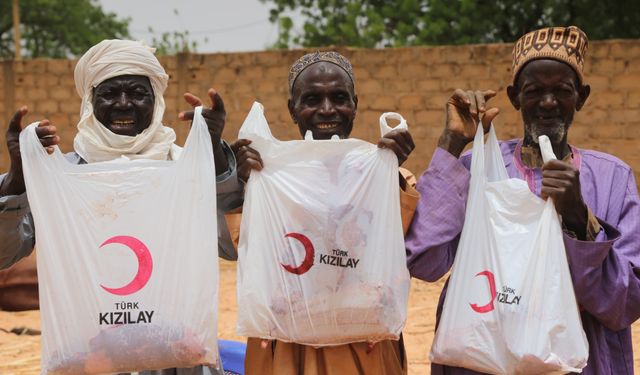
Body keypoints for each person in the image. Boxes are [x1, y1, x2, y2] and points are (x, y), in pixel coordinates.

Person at [405, 26, 640, 374]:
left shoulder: (612, 179)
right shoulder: (478, 170)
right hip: (480, 361)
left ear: (582, 97)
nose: (548, 103)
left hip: (580, 363)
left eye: (562, 91)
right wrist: (452, 143)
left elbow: (626, 302)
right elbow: (424, 261)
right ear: (515, 97)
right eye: (534, 92)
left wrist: (578, 220)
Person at [0, 39, 242, 375]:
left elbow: (233, 245)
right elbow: (3, 254)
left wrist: (212, 150)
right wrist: (17, 178)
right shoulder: (66, 177)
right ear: (90, 100)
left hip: (177, 361)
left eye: (137, 93)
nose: (124, 104)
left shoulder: (182, 170)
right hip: (90, 360)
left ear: (155, 100)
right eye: (110, 93)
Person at [232, 51, 419, 375]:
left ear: (355, 104)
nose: (327, 109)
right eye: (312, 99)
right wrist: (240, 183)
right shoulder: (271, 178)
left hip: (365, 346)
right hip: (287, 347)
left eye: (338, 98)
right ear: (293, 108)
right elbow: (241, 246)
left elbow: (404, 247)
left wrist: (387, 176)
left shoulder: (390, 176)